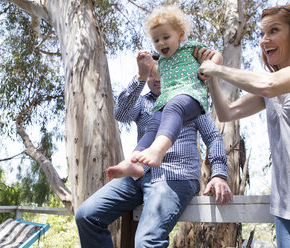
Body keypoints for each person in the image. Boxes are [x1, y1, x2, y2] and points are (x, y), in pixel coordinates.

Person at [195, 2, 290, 247]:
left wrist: (217, 68)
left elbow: (270, 84)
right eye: (261, 34)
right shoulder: (272, 84)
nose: (264, 40)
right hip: (287, 211)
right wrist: (211, 77)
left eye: (274, 31)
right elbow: (227, 112)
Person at [75, 50, 233, 248]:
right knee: (86, 216)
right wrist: (140, 76)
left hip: (175, 176)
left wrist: (218, 174)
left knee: (146, 242)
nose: (156, 79)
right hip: (137, 176)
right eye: (151, 74)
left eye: (161, 73)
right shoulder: (143, 103)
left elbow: (212, 136)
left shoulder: (190, 101)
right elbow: (121, 113)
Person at [107, 5, 222, 178]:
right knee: (153, 126)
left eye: (166, 37)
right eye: (156, 40)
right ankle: (133, 162)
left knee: (173, 107)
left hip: (189, 97)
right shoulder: (162, 64)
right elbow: (122, 112)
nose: (161, 43)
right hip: (166, 102)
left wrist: (210, 68)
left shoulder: (190, 50)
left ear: (180, 35)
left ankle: (158, 151)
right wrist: (143, 68)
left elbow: (216, 56)